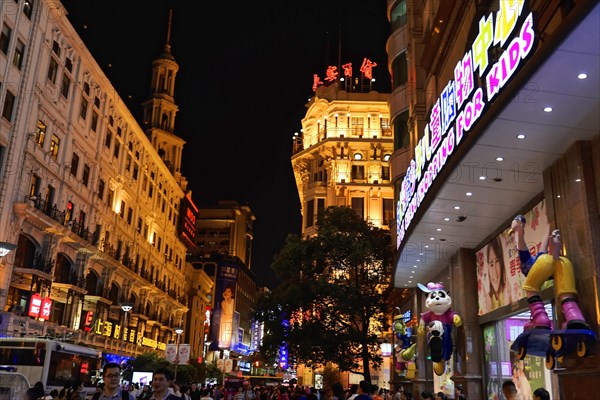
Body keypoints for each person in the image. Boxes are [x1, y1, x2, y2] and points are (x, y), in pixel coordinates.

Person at [511, 217, 588, 330]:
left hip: (543, 264)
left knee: (531, 288)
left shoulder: (527, 261)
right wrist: (548, 227)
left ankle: (540, 317)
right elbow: (543, 248)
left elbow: (521, 245)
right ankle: (574, 314)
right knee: (565, 285)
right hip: (561, 262)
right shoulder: (539, 258)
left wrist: (519, 231)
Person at [486, 236, 511, 309]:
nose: (494, 272)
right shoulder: (486, 300)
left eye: (497, 261)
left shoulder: (510, 293)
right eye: (491, 264)